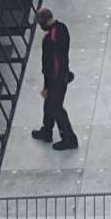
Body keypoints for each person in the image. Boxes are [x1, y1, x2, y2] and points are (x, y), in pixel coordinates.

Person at [30, 8, 78, 150]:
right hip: (63, 75)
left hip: (56, 79)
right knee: (49, 104)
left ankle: (69, 138)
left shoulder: (50, 39)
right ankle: (47, 130)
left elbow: (50, 66)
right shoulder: (62, 28)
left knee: (56, 107)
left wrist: (47, 86)